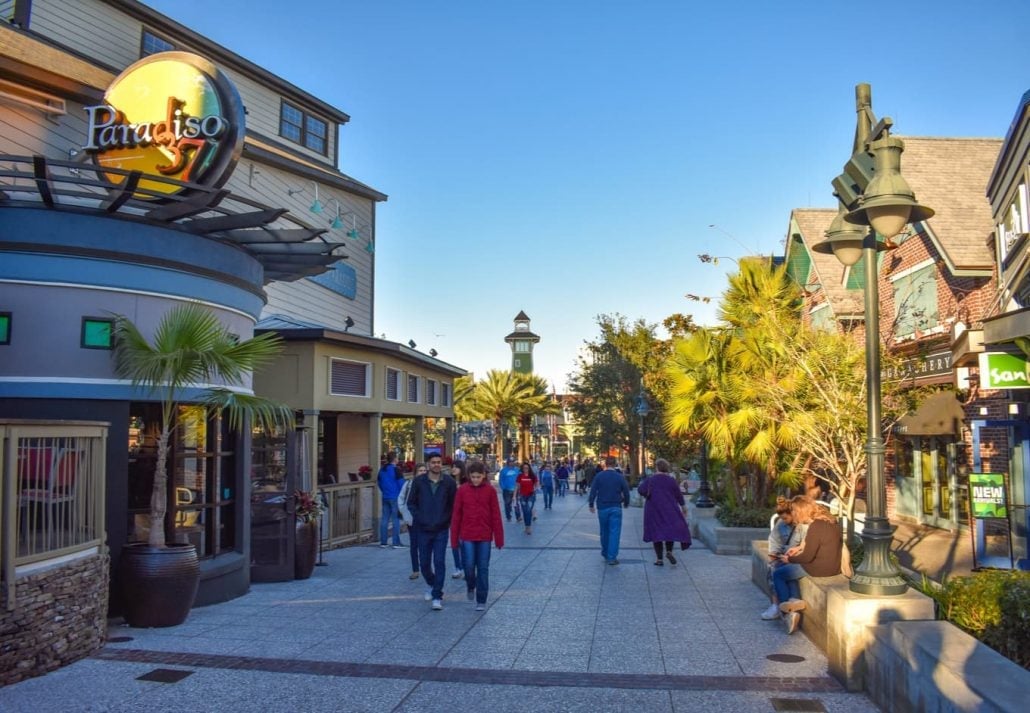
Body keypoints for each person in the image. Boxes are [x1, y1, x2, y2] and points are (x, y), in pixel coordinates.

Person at [773, 495, 842, 634]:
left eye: (794, 511)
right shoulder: (828, 520)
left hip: (819, 568)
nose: (793, 514)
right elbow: (816, 545)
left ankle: (788, 612)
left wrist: (789, 559)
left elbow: (807, 557)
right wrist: (798, 548)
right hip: (832, 565)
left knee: (778, 574)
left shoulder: (816, 526)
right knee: (787, 571)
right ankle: (794, 600)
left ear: (801, 511)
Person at [450, 460, 504, 611]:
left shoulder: (490, 491)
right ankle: (470, 585)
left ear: (483, 476)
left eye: (478, 477)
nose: (475, 480)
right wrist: (454, 540)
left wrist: (499, 538)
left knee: (483, 567)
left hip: (484, 536)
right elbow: (456, 516)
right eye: (472, 477)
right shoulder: (462, 491)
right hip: (467, 535)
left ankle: (482, 599)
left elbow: (496, 515)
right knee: (468, 565)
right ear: (468, 476)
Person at [407, 453, 458, 611]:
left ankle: (437, 595)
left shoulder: (448, 482)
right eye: (433, 462)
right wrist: (419, 517)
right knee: (424, 563)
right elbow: (411, 503)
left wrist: (447, 520)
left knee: (439, 561)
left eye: (439, 462)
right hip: (422, 528)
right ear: (428, 464)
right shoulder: (418, 482)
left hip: (441, 529)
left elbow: (453, 504)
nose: (436, 464)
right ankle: (432, 583)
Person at [636, 458, 691, 566]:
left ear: (657, 467)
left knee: (656, 533)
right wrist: (684, 507)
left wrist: (647, 495)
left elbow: (640, 489)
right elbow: (678, 495)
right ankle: (669, 551)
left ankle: (659, 559)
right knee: (669, 531)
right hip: (669, 508)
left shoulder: (651, 479)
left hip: (653, 509)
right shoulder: (671, 480)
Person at [760, 496, 805, 619]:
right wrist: (774, 557)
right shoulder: (780, 525)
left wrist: (794, 555)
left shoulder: (803, 524)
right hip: (784, 557)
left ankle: (788, 608)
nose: (784, 520)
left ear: (793, 513)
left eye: (785, 517)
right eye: (781, 518)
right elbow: (774, 542)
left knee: (784, 573)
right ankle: (777, 605)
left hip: (799, 559)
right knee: (774, 568)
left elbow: (807, 546)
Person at [588, 455, 630, 565]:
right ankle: (612, 557)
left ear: (605, 464)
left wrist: (591, 504)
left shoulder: (599, 476)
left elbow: (593, 490)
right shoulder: (619, 476)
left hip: (602, 506)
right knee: (614, 532)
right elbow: (626, 490)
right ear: (615, 464)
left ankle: (605, 552)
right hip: (616, 506)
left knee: (604, 531)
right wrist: (626, 502)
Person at [397, 463, 426, 580]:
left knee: (426, 545)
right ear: (415, 473)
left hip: (426, 520)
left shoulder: (430, 485)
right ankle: (415, 570)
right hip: (412, 519)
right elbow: (401, 499)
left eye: (424, 470)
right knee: (414, 545)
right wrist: (406, 515)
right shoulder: (409, 484)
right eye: (420, 471)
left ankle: (426, 567)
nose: (423, 472)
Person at [377, 452, 404, 548]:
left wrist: (384, 491)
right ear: (395, 459)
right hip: (395, 496)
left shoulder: (382, 470)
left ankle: (383, 542)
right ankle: (396, 542)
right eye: (397, 457)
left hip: (385, 496)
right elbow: (401, 484)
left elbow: (379, 483)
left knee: (384, 519)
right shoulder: (396, 470)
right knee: (395, 519)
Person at [450, 461, 468, 579]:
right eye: (452, 467)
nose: (454, 469)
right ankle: (458, 567)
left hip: (465, 516)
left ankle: (468, 567)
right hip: (452, 516)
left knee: (465, 543)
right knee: (455, 542)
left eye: (456, 467)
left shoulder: (466, 483)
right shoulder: (448, 482)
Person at [515, 461, 539, 534]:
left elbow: (537, 483)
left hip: (531, 495)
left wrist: (535, 489)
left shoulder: (532, 476)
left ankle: (528, 527)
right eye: (524, 468)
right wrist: (514, 496)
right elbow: (517, 486)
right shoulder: (520, 476)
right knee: (525, 511)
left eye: (527, 468)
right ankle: (526, 526)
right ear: (522, 469)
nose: (526, 469)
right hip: (522, 495)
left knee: (528, 511)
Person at [498, 456, 520, 521]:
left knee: (516, 503)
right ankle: (508, 516)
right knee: (507, 504)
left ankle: (518, 516)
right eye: (510, 462)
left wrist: (519, 487)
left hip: (515, 490)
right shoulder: (503, 470)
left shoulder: (517, 470)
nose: (511, 463)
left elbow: (519, 479)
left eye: (513, 462)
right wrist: (503, 487)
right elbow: (501, 480)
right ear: (508, 462)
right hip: (507, 490)